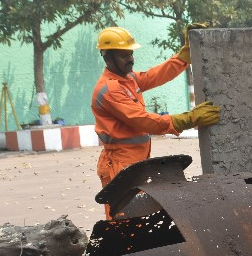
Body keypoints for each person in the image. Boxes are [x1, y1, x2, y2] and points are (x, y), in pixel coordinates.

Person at [92, 25, 220, 218]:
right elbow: (143, 121)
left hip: (134, 162)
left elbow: (156, 75)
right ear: (107, 56)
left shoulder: (128, 80)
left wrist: (183, 56)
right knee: (125, 221)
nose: (130, 59)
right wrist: (188, 119)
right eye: (124, 55)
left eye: (130, 53)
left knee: (139, 217)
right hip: (119, 164)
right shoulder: (109, 89)